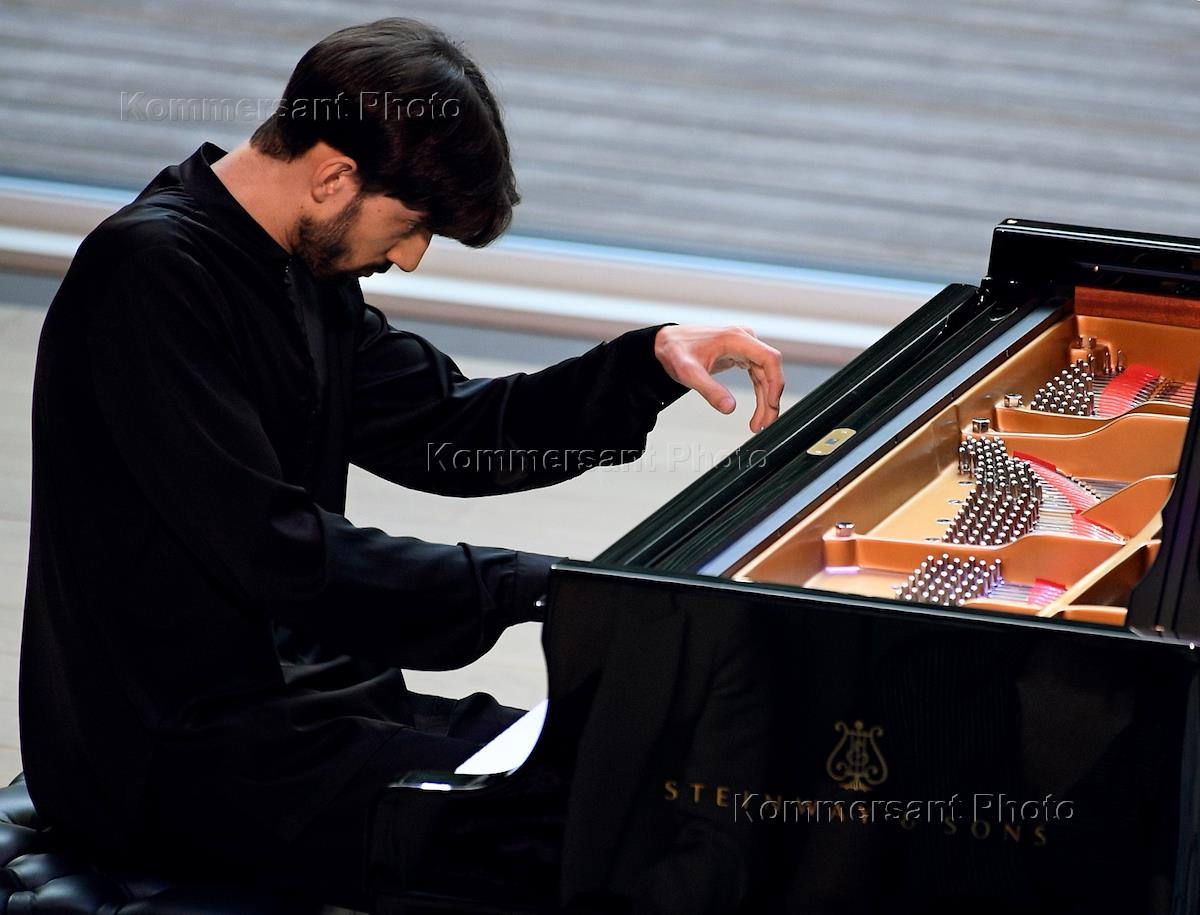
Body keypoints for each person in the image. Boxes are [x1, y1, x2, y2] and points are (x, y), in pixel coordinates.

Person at [17, 16, 784, 910]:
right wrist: (538, 586)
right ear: (333, 175)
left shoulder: (298, 271)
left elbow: (451, 427)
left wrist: (646, 363)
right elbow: (278, 550)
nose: (411, 258)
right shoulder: (148, 275)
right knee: (600, 834)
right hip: (171, 749)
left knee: (661, 774)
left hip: (309, 703)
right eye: (413, 225)